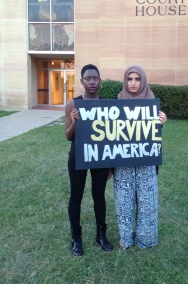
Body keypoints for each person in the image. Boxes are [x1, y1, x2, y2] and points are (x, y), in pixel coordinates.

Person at [113, 65, 167, 250]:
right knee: (123, 202)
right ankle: (126, 239)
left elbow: (153, 135)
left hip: (146, 162)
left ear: (143, 81)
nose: (133, 83)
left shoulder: (151, 102)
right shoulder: (117, 102)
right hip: (123, 163)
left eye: (137, 79)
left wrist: (161, 124)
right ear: (125, 81)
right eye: (130, 79)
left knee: (147, 201)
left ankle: (146, 239)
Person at [65, 64, 113, 256]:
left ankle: (101, 235)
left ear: (99, 80)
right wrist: (75, 121)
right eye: (88, 78)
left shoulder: (107, 105)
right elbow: (68, 136)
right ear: (82, 81)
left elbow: (111, 136)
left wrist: (111, 164)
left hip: (99, 156)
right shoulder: (72, 104)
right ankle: (76, 238)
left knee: (99, 195)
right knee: (76, 197)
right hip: (78, 155)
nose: (92, 82)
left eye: (95, 78)